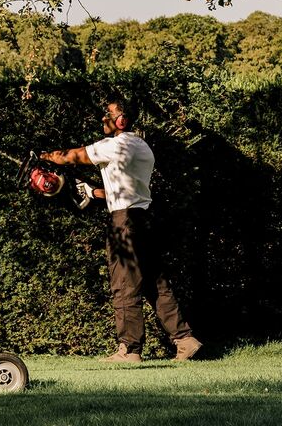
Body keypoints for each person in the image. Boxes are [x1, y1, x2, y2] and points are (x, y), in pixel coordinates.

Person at [40, 97, 202, 362]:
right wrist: (93, 192)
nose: (103, 118)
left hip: (124, 222)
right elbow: (125, 189)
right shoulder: (142, 147)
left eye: (108, 113)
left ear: (121, 120)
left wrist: (44, 157)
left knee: (124, 284)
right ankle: (185, 340)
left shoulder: (114, 146)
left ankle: (129, 349)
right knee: (155, 283)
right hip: (144, 219)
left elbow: (70, 157)